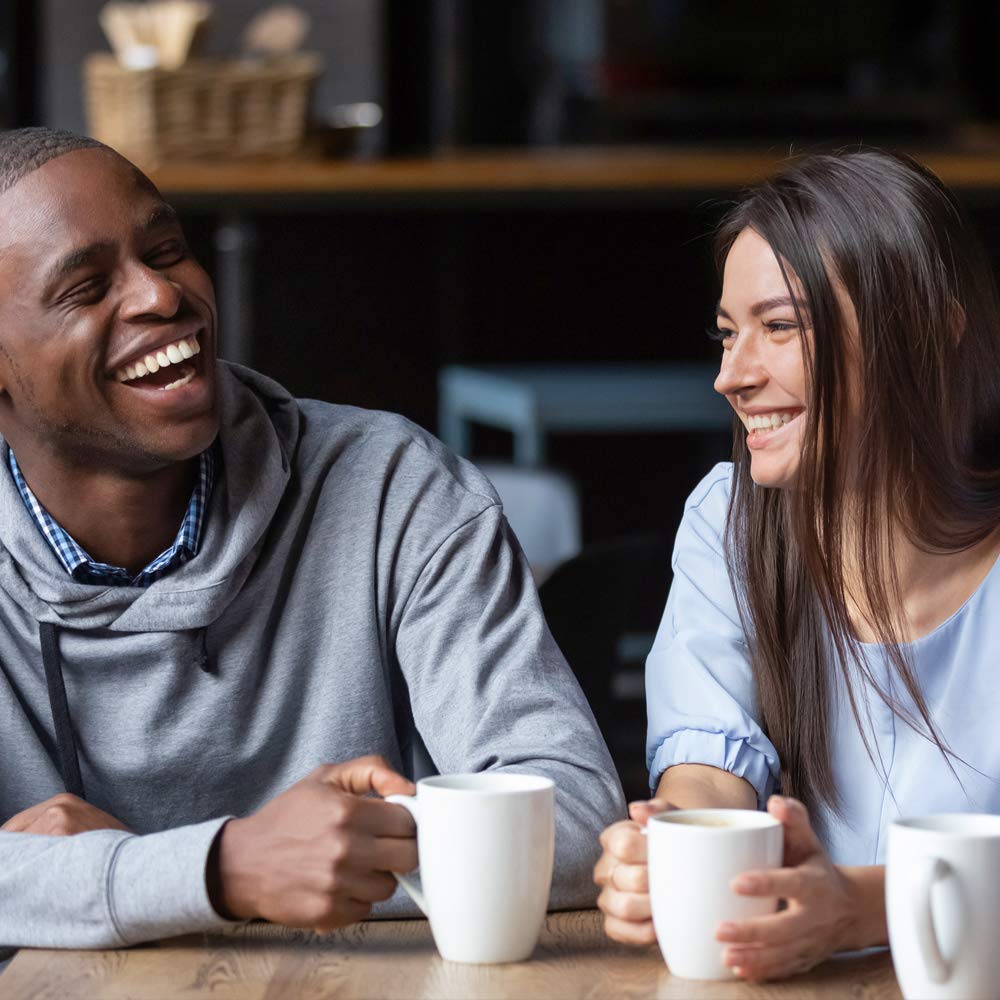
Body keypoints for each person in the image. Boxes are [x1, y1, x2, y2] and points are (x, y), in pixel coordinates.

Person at [0, 127, 625, 958]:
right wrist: (227, 869)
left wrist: (142, 877)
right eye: (85, 288)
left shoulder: (394, 488)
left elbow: (574, 817)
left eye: (168, 250)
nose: (160, 296)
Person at [594, 150, 1000, 981]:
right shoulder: (731, 523)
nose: (731, 376)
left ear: (929, 332)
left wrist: (865, 905)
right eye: (727, 333)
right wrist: (671, 845)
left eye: (779, 327)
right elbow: (708, 770)